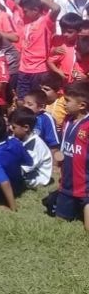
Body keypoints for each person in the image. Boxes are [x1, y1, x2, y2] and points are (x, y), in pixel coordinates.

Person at [52, 81, 89, 230]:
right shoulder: (67, 120)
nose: (64, 104)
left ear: (82, 105)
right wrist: (58, 159)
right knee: (59, 222)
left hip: (86, 185)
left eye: (67, 101)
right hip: (66, 184)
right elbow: (64, 145)